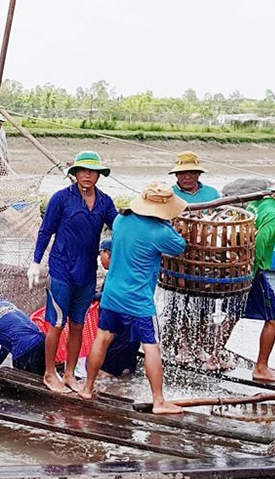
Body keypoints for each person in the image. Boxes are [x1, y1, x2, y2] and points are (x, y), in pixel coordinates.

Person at [79, 183, 187, 414]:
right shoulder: (160, 232)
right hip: (138, 301)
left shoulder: (120, 221)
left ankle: (88, 387)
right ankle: (159, 401)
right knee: (151, 348)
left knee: (102, 339)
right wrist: (168, 224)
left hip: (112, 295)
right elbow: (180, 246)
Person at [27, 151, 117, 394]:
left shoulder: (105, 202)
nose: (88, 175)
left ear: (99, 175)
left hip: (87, 272)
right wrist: (36, 262)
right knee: (56, 323)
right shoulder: (61, 199)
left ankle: (69, 373)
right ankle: (49, 373)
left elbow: (119, 227)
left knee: (78, 324)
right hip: (61, 269)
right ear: (75, 174)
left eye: (93, 171)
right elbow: (45, 231)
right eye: (83, 171)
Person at [214, 175, 275, 382]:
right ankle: (261, 368)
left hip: (235, 268)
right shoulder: (274, 214)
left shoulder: (258, 203)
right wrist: (250, 275)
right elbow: (258, 244)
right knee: (274, 319)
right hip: (251, 270)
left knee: (233, 314)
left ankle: (213, 355)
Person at [168, 151, 223, 369]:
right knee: (179, 303)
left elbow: (220, 219)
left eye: (191, 173)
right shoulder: (169, 194)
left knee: (204, 305)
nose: (187, 177)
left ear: (198, 174)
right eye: (182, 173)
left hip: (205, 258)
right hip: (178, 257)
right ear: (176, 176)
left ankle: (199, 344)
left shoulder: (211, 193)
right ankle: (181, 344)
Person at [93, 238, 142, 378]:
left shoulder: (118, 271)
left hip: (120, 333)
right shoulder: (129, 267)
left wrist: (95, 296)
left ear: (108, 253)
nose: (100, 259)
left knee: (104, 375)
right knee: (126, 374)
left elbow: (116, 294)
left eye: (100, 254)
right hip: (133, 332)